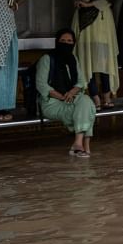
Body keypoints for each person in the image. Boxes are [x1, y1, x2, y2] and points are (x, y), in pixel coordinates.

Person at [69, 0, 119, 109]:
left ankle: (106, 95)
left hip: (102, 23)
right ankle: (95, 97)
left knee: (103, 59)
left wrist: (90, 5)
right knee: (87, 59)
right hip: (84, 25)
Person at [37, 28, 97, 158]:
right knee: (89, 109)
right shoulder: (47, 59)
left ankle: (78, 144)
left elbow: (81, 82)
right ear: (57, 42)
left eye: (69, 41)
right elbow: (41, 85)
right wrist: (61, 96)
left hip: (72, 99)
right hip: (52, 103)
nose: (66, 43)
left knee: (86, 101)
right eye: (63, 40)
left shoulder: (73, 59)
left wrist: (71, 92)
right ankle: (85, 145)